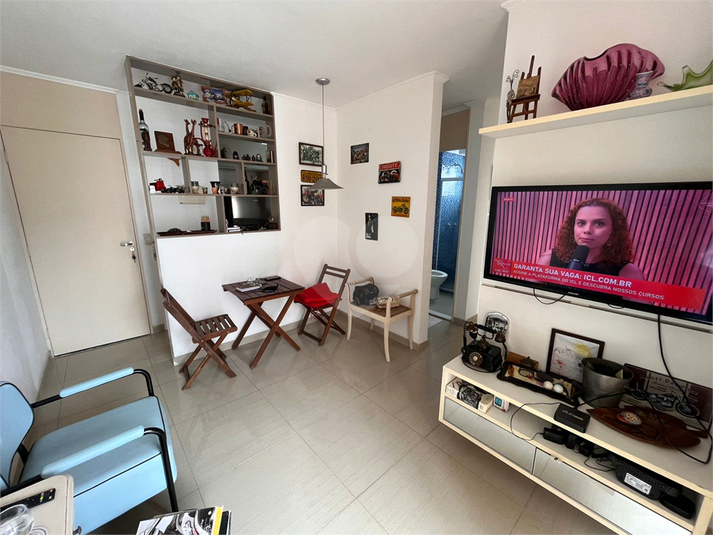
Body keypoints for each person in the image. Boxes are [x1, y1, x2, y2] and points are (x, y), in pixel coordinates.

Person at [537, 198, 645, 279]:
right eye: (581, 223)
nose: (587, 230)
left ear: (614, 229)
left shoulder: (629, 272)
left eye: (599, 223)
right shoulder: (549, 259)